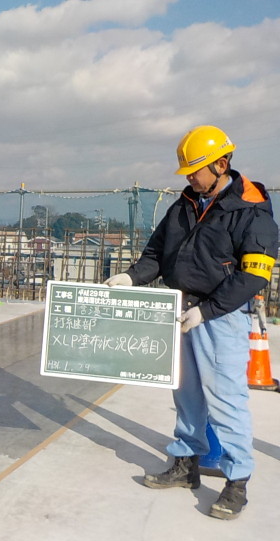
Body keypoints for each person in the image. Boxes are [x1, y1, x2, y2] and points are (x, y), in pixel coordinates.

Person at [105, 125, 278, 520]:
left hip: (219, 317)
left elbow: (254, 275)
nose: (190, 177)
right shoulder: (184, 204)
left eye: (196, 169)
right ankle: (186, 465)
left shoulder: (251, 209)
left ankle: (237, 481)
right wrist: (132, 276)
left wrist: (208, 310)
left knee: (226, 399)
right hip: (178, 309)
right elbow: (157, 253)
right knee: (185, 395)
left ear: (221, 163)